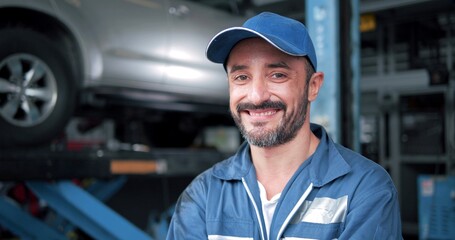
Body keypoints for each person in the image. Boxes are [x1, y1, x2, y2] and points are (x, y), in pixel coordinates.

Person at [166, 12, 402, 240]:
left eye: (277, 75)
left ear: (313, 86)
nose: (257, 96)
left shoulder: (365, 188)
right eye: (241, 77)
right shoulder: (204, 195)